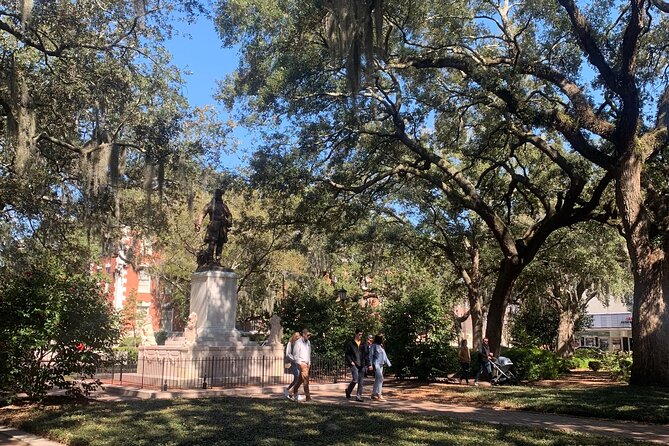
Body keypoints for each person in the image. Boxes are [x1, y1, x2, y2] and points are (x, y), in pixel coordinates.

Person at [195, 188, 233, 267]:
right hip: (213, 225)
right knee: (212, 243)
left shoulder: (224, 206)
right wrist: (198, 224)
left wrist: (228, 222)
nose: (219, 196)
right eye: (218, 194)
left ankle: (218, 260)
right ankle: (210, 260)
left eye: (220, 194)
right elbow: (202, 214)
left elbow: (229, 215)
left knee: (220, 244)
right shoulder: (210, 205)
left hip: (222, 226)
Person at [345, 328, 369, 402]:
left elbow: (366, 355)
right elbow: (347, 354)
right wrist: (350, 361)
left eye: (361, 334)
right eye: (359, 334)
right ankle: (348, 391)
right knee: (355, 380)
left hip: (362, 364)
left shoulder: (363, 344)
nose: (360, 336)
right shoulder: (351, 344)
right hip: (354, 364)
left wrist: (369, 364)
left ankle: (358, 397)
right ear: (356, 334)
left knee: (361, 381)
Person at [288, 328, 312, 402]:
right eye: (307, 335)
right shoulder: (298, 343)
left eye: (309, 335)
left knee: (301, 380)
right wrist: (300, 363)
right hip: (301, 363)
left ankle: (291, 391)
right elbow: (295, 355)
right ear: (303, 335)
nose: (308, 337)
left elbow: (309, 353)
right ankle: (308, 397)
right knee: (306, 379)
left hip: (307, 363)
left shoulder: (308, 343)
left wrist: (309, 362)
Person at [368, 333, 391, 401]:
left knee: (377, 380)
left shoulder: (381, 346)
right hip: (376, 364)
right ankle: (379, 394)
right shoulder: (373, 346)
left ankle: (373, 394)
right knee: (381, 378)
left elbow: (385, 355)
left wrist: (389, 363)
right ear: (379, 338)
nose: (383, 339)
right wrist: (370, 365)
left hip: (381, 364)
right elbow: (370, 356)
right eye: (382, 338)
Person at [284, 331, 301, 399]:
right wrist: (294, 359)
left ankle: (288, 390)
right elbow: (288, 354)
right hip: (292, 362)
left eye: (298, 337)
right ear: (294, 337)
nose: (297, 339)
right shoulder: (290, 343)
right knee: (297, 377)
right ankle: (296, 394)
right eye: (296, 337)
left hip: (298, 362)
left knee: (296, 379)